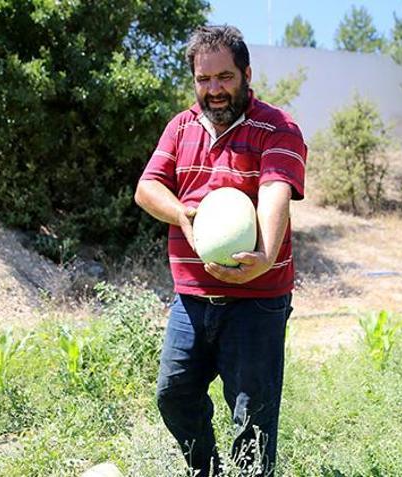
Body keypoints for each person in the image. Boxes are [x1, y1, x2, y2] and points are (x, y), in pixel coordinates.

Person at [134, 25, 306, 476]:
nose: (214, 90)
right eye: (203, 79)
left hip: (257, 302)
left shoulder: (278, 128)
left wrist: (265, 255)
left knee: (253, 417)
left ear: (247, 74)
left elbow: (275, 188)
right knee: (173, 394)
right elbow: (147, 188)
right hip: (190, 299)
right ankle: (205, 470)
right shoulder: (180, 127)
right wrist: (181, 214)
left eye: (224, 77)